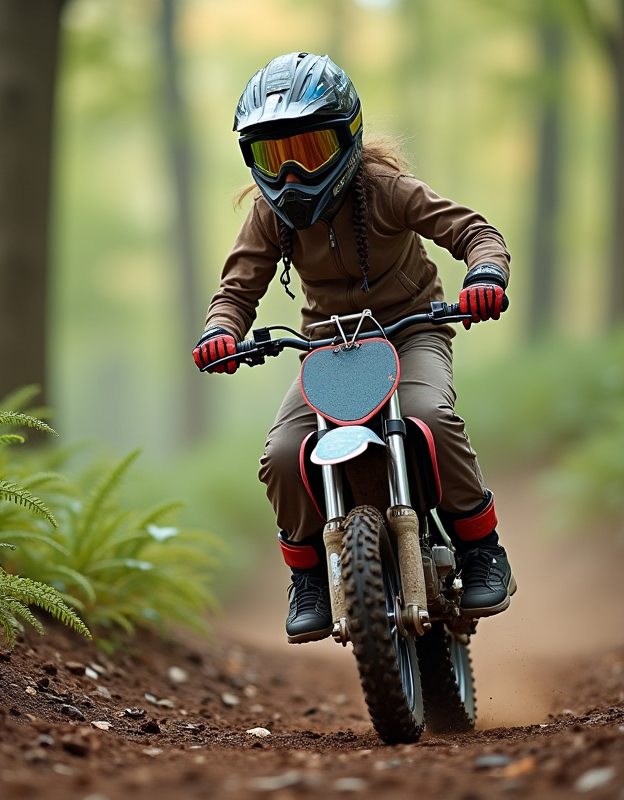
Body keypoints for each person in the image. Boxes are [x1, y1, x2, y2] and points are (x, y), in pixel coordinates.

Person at [192, 52, 516, 643]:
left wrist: (485, 276)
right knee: (287, 452)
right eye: (273, 156)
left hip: (412, 328)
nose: (291, 174)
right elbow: (236, 290)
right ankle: (310, 577)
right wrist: (221, 331)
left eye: (308, 152)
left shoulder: (386, 189)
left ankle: (480, 546)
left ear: (348, 139)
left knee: (427, 417)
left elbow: (476, 232)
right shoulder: (271, 217)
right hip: (328, 349)